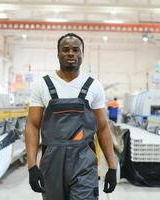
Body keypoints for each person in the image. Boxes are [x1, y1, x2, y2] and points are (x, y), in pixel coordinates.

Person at [25, 33, 117, 200]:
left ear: (82, 53)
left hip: (84, 161)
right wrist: (31, 166)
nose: (71, 53)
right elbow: (32, 125)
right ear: (58, 53)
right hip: (51, 161)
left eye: (76, 50)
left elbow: (103, 127)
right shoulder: (42, 85)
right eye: (65, 49)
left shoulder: (93, 86)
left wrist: (112, 166)